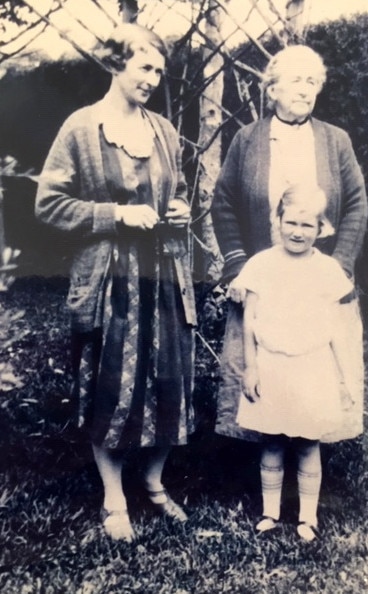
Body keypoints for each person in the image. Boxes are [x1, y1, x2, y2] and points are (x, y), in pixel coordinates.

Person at [35, 24, 196, 542]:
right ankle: (113, 495)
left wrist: (178, 208)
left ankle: (152, 481)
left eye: (158, 71)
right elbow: (49, 205)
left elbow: (182, 191)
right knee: (112, 386)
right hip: (111, 282)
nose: (152, 79)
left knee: (170, 378)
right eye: (143, 67)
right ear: (115, 65)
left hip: (163, 276)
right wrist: (117, 215)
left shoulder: (165, 132)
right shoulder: (81, 129)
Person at [211, 44, 368, 444]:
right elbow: (224, 203)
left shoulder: (336, 141)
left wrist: (340, 266)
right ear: (273, 88)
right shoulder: (247, 140)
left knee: (317, 366)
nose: (306, 90)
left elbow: (356, 205)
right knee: (263, 365)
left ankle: (314, 449)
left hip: (318, 278)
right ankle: (261, 457)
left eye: (313, 82)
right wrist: (239, 268)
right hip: (266, 279)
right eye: (297, 80)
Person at [236, 185, 354, 540]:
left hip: (311, 366)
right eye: (291, 223)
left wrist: (344, 378)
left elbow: (335, 328)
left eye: (307, 225)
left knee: (307, 442)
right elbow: (249, 320)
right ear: (278, 221)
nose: (297, 232)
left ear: (321, 229)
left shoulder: (328, 270)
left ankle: (308, 517)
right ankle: (270, 513)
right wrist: (251, 366)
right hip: (271, 363)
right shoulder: (261, 265)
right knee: (271, 439)